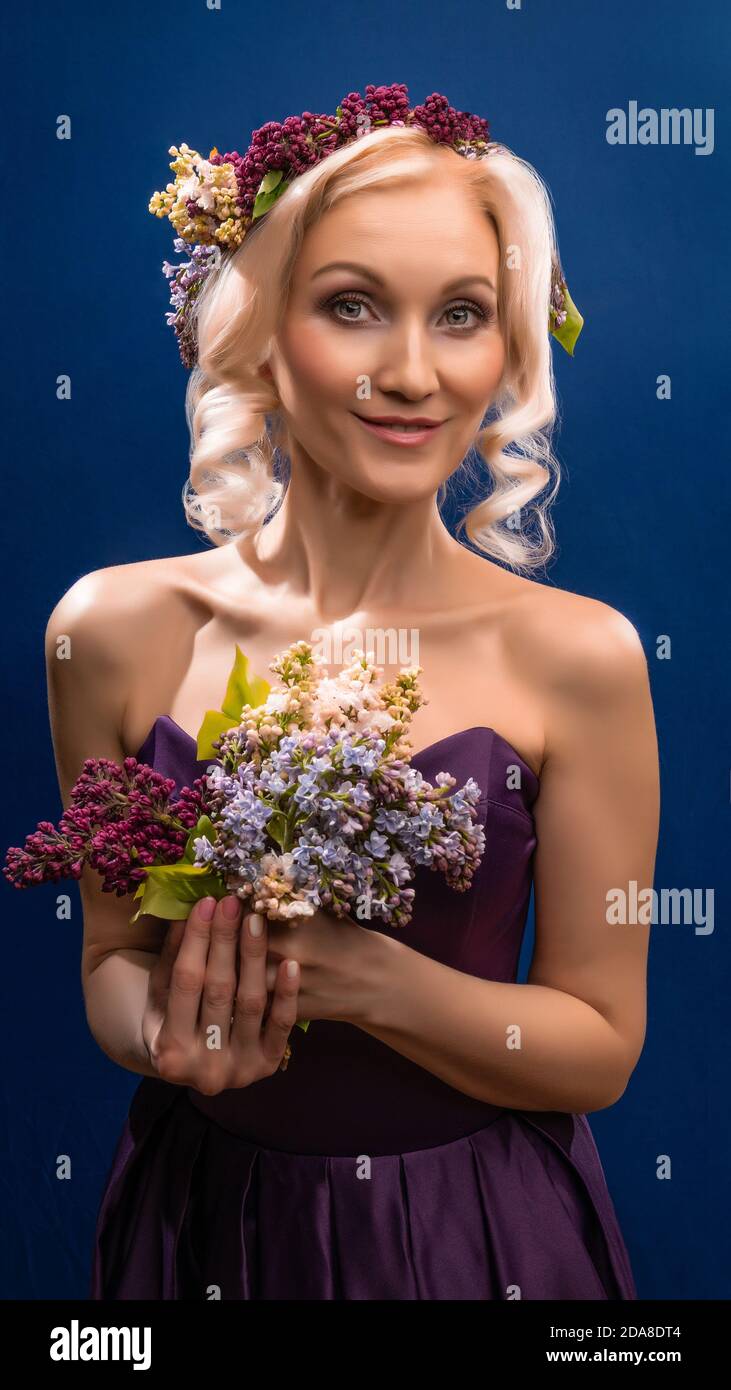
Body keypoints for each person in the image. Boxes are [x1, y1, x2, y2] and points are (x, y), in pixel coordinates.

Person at [45, 86, 659, 1300]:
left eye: (462, 316)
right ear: (260, 330)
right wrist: (165, 1041)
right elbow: (111, 958)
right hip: (203, 1228)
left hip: (476, 1239)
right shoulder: (109, 630)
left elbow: (597, 1050)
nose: (412, 372)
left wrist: (370, 982)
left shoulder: (580, 656)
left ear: (509, 348)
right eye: (352, 307)